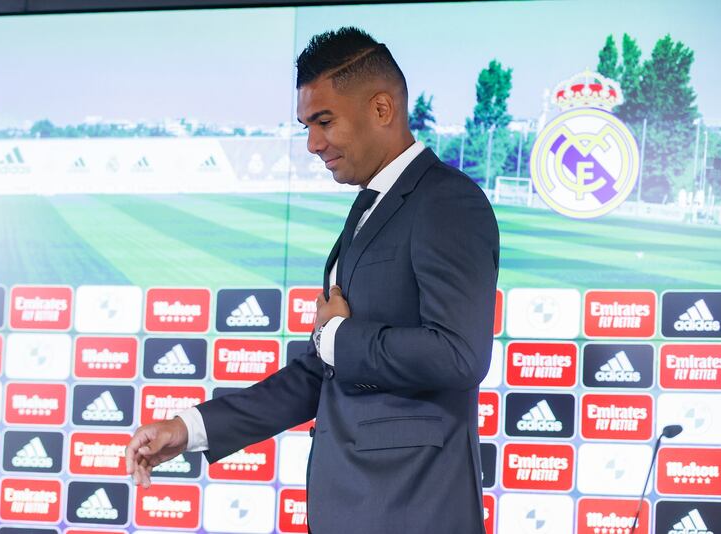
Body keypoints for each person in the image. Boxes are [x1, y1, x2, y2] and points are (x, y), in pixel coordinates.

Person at [126, 26, 499, 534]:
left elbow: (460, 355)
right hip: (352, 507)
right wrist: (188, 429)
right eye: (306, 125)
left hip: (411, 509)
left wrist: (341, 336)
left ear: (382, 109)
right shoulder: (370, 207)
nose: (312, 143)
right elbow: (320, 370)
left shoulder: (446, 201)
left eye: (324, 122)